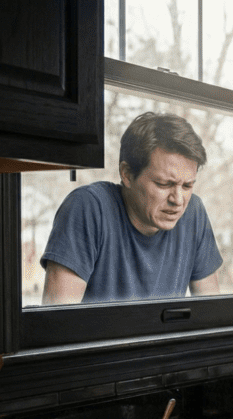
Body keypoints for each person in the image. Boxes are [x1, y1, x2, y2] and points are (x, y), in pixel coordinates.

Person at [40, 112, 223, 304]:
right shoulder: (87, 208)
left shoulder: (193, 213)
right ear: (126, 174)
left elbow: (211, 313)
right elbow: (57, 322)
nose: (178, 200)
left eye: (187, 186)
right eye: (163, 184)